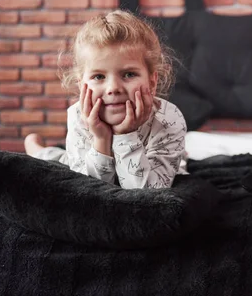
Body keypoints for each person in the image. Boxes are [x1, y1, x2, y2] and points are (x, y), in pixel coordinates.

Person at [24, 10, 187, 189]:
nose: (113, 88)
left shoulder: (169, 118)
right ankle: (36, 149)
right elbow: (87, 188)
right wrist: (101, 139)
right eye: (99, 77)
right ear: (81, 85)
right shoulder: (79, 115)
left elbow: (148, 192)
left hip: (152, 161)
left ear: (152, 81)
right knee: (58, 162)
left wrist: (126, 135)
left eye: (129, 74)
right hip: (85, 158)